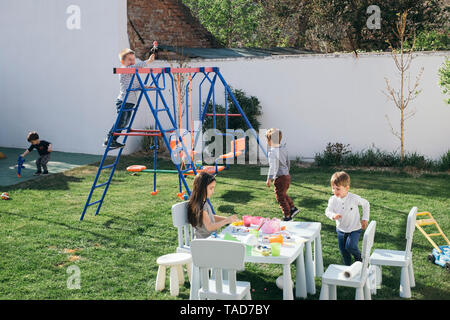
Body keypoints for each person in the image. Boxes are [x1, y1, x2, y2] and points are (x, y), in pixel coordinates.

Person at [104, 48, 155, 149]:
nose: (132, 62)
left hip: (130, 102)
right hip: (123, 101)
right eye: (129, 60)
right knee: (121, 121)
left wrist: (144, 86)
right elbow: (136, 67)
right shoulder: (124, 70)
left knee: (125, 122)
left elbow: (135, 84)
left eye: (133, 59)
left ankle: (113, 140)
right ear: (123, 62)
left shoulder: (132, 72)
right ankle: (109, 139)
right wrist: (148, 61)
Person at [325, 171, 370, 266]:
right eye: (333, 188)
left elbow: (366, 204)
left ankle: (360, 258)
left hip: (354, 229)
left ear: (346, 188)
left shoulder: (353, 198)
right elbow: (327, 211)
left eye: (338, 189)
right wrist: (333, 215)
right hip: (341, 230)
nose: (335, 191)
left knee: (350, 246)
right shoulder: (332, 200)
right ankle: (348, 268)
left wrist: (365, 218)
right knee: (344, 251)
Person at [187, 172, 237, 239]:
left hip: (211, 238)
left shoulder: (201, 202)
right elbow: (210, 227)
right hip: (204, 243)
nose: (213, 191)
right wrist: (226, 221)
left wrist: (228, 219)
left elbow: (210, 217)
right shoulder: (201, 205)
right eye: (211, 188)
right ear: (202, 188)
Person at [265, 128, 299, 221]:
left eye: (267, 139)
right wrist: (287, 172)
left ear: (271, 140)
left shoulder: (272, 152)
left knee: (279, 196)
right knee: (283, 193)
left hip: (280, 177)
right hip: (286, 176)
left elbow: (272, 167)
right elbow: (288, 162)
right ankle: (292, 208)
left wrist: (269, 179)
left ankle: (287, 216)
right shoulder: (284, 149)